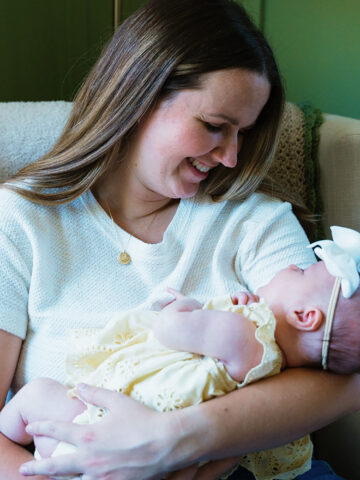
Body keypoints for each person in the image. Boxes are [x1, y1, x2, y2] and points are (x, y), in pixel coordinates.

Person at [0, 0, 359, 479]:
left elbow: (337, 378)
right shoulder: (21, 221)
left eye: (242, 135)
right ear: (138, 95)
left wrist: (172, 441)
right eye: (214, 126)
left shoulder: (255, 222)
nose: (231, 157)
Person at [1, 225, 360, 480]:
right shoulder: (269, 356)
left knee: (38, 396)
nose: (231, 155)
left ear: (305, 317)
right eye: (213, 125)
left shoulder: (244, 329)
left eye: (297, 271)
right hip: (116, 451)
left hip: (92, 425)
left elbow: (169, 329)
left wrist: (188, 305)